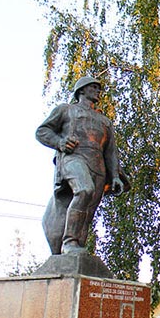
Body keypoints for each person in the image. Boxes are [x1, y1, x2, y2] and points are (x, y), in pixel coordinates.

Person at [36, 76, 130, 254]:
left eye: (98, 88)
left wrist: (116, 176)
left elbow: (110, 152)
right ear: (82, 90)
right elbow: (42, 131)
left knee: (88, 211)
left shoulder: (105, 122)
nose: (97, 90)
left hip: (98, 165)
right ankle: (69, 242)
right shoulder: (66, 110)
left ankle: (77, 247)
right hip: (73, 158)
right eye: (93, 87)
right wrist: (60, 142)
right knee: (84, 189)